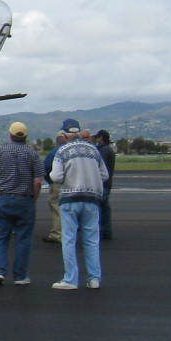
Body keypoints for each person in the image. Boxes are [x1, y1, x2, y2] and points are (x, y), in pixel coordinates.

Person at [51, 122, 109, 290]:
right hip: (91, 199)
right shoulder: (93, 150)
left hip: (70, 199)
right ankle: (94, 278)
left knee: (69, 239)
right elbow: (104, 175)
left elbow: (56, 176)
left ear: (65, 134)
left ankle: (70, 279)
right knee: (91, 240)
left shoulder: (62, 151)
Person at [0, 121, 43, 285]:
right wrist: (34, 199)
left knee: (0, 237)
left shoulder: (0, 151)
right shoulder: (32, 154)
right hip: (25, 198)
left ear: (10, 135)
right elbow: (38, 181)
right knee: (23, 239)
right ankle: (20, 276)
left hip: (4, 197)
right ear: (25, 136)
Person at [41, 131, 66, 243]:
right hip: (71, 183)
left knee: (56, 206)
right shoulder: (70, 150)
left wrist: (50, 181)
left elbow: (45, 168)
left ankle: (57, 233)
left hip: (56, 183)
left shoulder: (53, 152)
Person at [94, 130, 117, 240]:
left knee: (98, 208)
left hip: (102, 183)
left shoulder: (103, 150)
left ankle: (100, 232)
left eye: (97, 137)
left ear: (101, 138)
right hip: (107, 183)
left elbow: (99, 167)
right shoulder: (109, 149)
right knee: (105, 208)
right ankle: (106, 231)